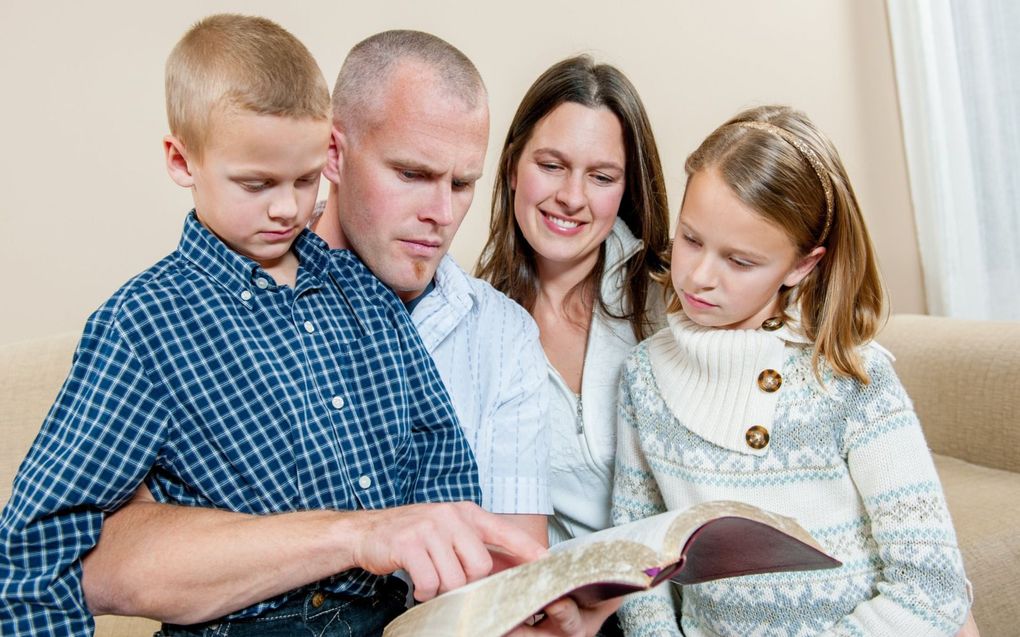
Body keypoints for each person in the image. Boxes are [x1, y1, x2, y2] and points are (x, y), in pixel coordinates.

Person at [79, 29, 612, 637]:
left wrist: (548, 610)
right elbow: (91, 560)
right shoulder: (182, 315)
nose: (440, 215)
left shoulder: (503, 335)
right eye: (411, 173)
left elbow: (504, 573)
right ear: (333, 152)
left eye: (462, 184)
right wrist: (360, 533)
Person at [0, 15, 514, 637]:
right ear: (181, 160)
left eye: (303, 181)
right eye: (255, 183)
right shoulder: (144, 324)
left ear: (328, 155)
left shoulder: (363, 291)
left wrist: (455, 570)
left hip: (388, 615)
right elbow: (38, 546)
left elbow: (439, 451)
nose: (285, 208)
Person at [611, 105, 972, 636]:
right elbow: (637, 557)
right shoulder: (643, 377)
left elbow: (933, 585)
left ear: (802, 265)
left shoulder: (850, 376)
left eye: (740, 261)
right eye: (690, 239)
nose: (700, 276)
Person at [475, 55, 671, 636]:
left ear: (626, 189)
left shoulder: (674, 302)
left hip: (686, 600)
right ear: (512, 167)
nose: (572, 197)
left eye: (602, 176)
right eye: (552, 165)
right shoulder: (473, 322)